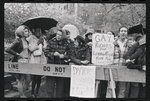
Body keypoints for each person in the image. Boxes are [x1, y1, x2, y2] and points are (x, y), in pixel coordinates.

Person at [44, 28, 71, 98]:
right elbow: (46, 52)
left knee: (60, 91)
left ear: (63, 36)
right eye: (57, 34)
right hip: (51, 67)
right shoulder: (51, 41)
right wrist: (53, 54)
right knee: (49, 90)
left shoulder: (67, 44)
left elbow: (70, 55)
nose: (58, 36)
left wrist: (64, 56)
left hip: (61, 69)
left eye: (60, 35)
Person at [5, 25, 31, 98]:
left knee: (28, 80)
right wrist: (16, 54)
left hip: (27, 61)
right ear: (21, 32)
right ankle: (22, 95)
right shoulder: (18, 40)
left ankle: (21, 94)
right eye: (25, 31)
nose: (27, 33)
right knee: (21, 79)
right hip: (21, 61)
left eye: (28, 31)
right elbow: (8, 49)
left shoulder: (26, 40)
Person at [106, 26, 130, 98]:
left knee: (122, 89)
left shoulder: (130, 44)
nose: (123, 32)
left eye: (125, 31)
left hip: (124, 68)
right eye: (122, 31)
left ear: (127, 33)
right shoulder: (112, 43)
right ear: (119, 33)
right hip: (113, 67)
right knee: (111, 87)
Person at [27, 28, 46, 98]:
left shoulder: (42, 38)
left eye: (39, 30)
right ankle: (32, 92)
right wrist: (37, 44)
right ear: (34, 31)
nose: (38, 32)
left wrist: (43, 44)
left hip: (41, 60)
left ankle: (37, 91)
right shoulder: (30, 38)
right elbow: (30, 48)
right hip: (34, 60)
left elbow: (45, 48)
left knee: (39, 77)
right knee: (34, 77)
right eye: (37, 30)